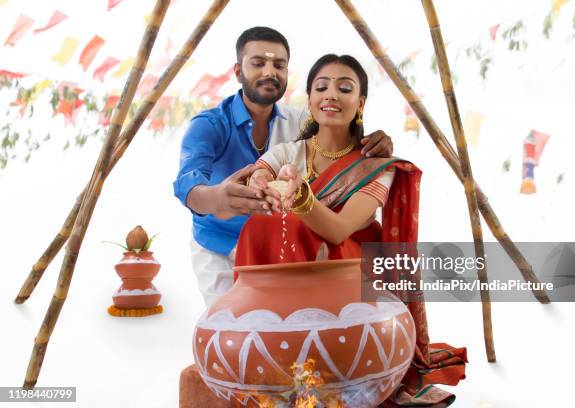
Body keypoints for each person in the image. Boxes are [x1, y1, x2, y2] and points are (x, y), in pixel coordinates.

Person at [235, 54, 467, 407]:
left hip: (349, 268)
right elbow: (259, 175)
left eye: (344, 88)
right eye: (321, 87)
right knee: (260, 223)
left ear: (359, 103)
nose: (331, 95)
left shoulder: (374, 166)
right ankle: (267, 338)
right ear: (310, 100)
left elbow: (341, 230)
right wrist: (262, 181)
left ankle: (316, 355)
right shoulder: (288, 152)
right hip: (290, 265)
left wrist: (300, 198)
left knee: (299, 226)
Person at [173, 27, 393, 307]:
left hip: (290, 247)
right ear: (238, 72)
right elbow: (187, 184)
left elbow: (341, 138)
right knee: (232, 329)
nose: (269, 72)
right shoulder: (209, 125)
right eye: (258, 63)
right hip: (220, 241)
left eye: (279, 65)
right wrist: (220, 198)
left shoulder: (301, 120)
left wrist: (380, 144)